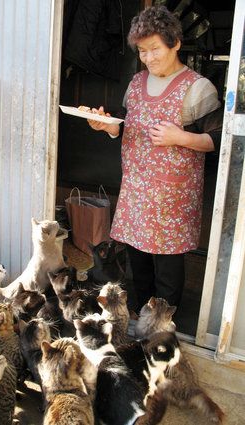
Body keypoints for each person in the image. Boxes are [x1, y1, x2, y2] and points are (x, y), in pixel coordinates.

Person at [86, 6, 222, 311]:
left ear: (175, 43)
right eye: (142, 51)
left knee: (168, 274)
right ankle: (139, 322)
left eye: (155, 49)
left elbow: (220, 139)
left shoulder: (197, 88)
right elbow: (126, 125)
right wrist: (108, 126)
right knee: (139, 267)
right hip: (136, 193)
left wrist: (181, 138)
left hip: (172, 199)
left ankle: (163, 331)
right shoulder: (136, 84)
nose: (148, 57)